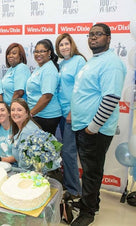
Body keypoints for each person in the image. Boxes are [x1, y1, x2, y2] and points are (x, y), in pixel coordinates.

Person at [71, 23, 126, 226]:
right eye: (91, 34)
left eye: (98, 34)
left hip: (94, 130)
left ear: (109, 38)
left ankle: (88, 213)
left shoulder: (110, 63)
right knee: (90, 169)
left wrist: (93, 127)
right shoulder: (96, 60)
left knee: (92, 172)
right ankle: (90, 201)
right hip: (84, 127)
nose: (93, 38)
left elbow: (111, 98)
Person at [55, 33, 86, 200]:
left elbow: (81, 88)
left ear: (72, 45)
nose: (64, 47)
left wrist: (72, 111)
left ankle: (74, 190)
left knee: (69, 151)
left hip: (72, 113)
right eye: (61, 45)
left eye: (66, 44)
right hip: (60, 113)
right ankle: (68, 184)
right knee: (64, 151)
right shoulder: (62, 64)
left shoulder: (79, 61)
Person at [26, 39, 62, 135]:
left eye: (42, 51)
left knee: (42, 148)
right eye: (36, 51)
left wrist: (30, 114)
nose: (38, 54)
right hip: (38, 114)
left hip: (46, 117)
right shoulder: (40, 67)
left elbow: (47, 97)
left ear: (49, 52)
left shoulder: (49, 69)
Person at [10, 98, 41, 167]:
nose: (15, 113)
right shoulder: (25, 125)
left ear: (27, 113)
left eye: (19, 110)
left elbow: (26, 165)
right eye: (12, 110)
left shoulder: (26, 132)